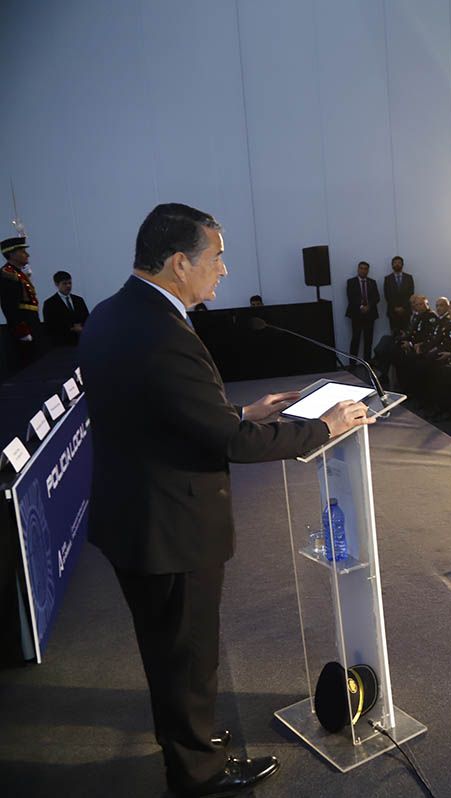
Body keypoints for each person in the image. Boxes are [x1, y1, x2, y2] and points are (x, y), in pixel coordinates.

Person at [78, 203, 372, 797]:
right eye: (216, 257)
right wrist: (326, 426)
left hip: (134, 513)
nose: (225, 270)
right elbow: (231, 443)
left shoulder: (112, 314)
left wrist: (238, 410)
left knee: (169, 649)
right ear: (180, 261)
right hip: (170, 525)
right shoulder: (163, 333)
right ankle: (197, 774)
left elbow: (164, 415)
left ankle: (192, 743)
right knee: (186, 656)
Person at [0, 235, 41, 368]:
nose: (27, 255)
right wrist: (22, 330)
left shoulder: (18, 273)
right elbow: (10, 306)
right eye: (22, 252)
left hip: (31, 323)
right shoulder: (8, 275)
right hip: (23, 327)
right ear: (12, 254)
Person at [42, 269, 89, 346]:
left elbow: (87, 318)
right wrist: (71, 328)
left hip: (81, 341)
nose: (68, 286)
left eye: (70, 283)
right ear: (57, 284)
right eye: (64, 283)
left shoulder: (79, 300)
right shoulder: (50, 303)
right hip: (62, 343)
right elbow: (49, 326)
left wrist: (82, 328)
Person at [346, 260, 380, 361]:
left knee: (368, 340)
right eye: (361, 268)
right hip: (356, 314)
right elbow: (351, 297)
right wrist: (361, 307)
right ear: (358, 269)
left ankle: (367, 363)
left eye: (365, 269)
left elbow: (377, 297)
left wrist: (368, 306)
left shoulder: (372, 282)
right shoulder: (351, 282)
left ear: (368, 270)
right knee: (355, 339)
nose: (363, 271)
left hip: (370, 314)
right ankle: (352, 363)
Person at [383, 255, 414, 334]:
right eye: (395, 263)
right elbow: (387, 295)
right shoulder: (387, 278)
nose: (397, 264)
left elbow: (411, 294)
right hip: (393, 312)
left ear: (402, 265)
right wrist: (395, 307)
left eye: (399, 263)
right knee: (394, 335)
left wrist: (403, 307)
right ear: (392, 265)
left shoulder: (409, 277)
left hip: (406, 311)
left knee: (406, 334)